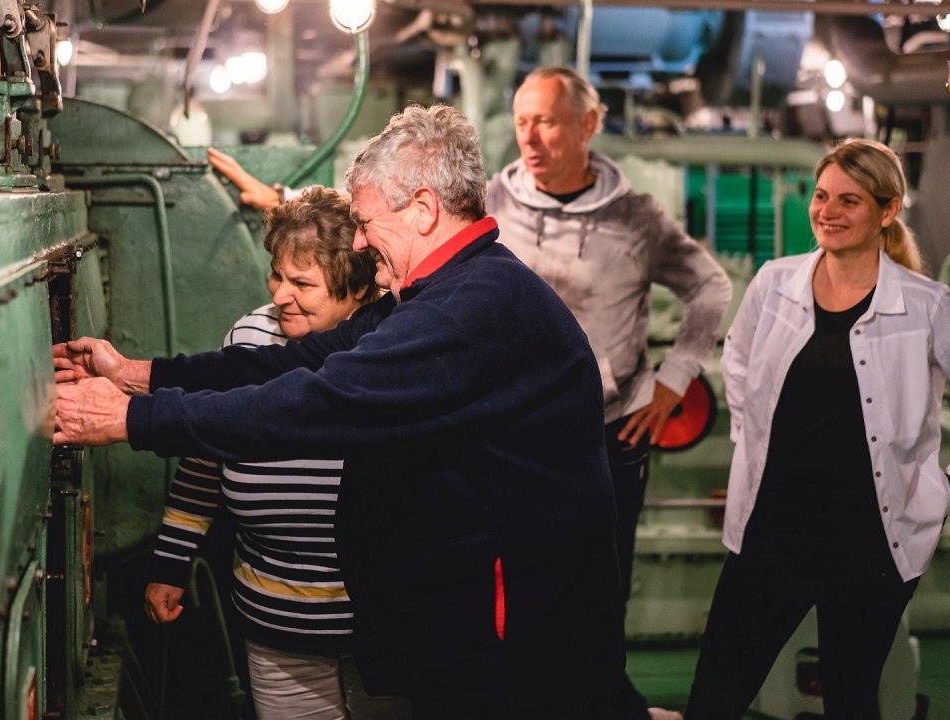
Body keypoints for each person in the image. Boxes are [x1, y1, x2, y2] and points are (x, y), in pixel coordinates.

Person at [54, 104, 629, 719]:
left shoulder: (466, 311)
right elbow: (291, 364)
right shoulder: (444, 293)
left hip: (515, 650)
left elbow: (316, 403)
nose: (357, 240)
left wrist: (131, 420)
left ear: (424, 210)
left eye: (366, 221)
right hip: (478, 632)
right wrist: (139, 376)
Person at [684, 138, 950, 719]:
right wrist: (752, 442)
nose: (828, 211)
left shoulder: (927, 306)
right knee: (716, 693)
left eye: (850, 201)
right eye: (821, 196)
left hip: (869, 541)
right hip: (774, 528)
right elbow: (737, 358)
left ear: (886, 212)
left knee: (850, 698)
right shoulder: (774, 283)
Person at [488, 66, 732, 720]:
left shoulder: (638, 218)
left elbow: (710, 288)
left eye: (547, 121)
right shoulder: (491, 207)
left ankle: (604, 702)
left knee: (602, 584)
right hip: (514, 436)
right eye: (521, 122)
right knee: (515, 584)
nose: (530, 138)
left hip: (610, 432)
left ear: (589, 124)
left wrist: (672, 381)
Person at [144, 187, 409, 720]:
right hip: (274, 617)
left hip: (380, 623)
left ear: (357, 288)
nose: (280, 294)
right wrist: (171, 561)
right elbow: (206, 451)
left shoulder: (395, 344)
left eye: (303, 283)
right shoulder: (251, 335)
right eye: (277, 275)